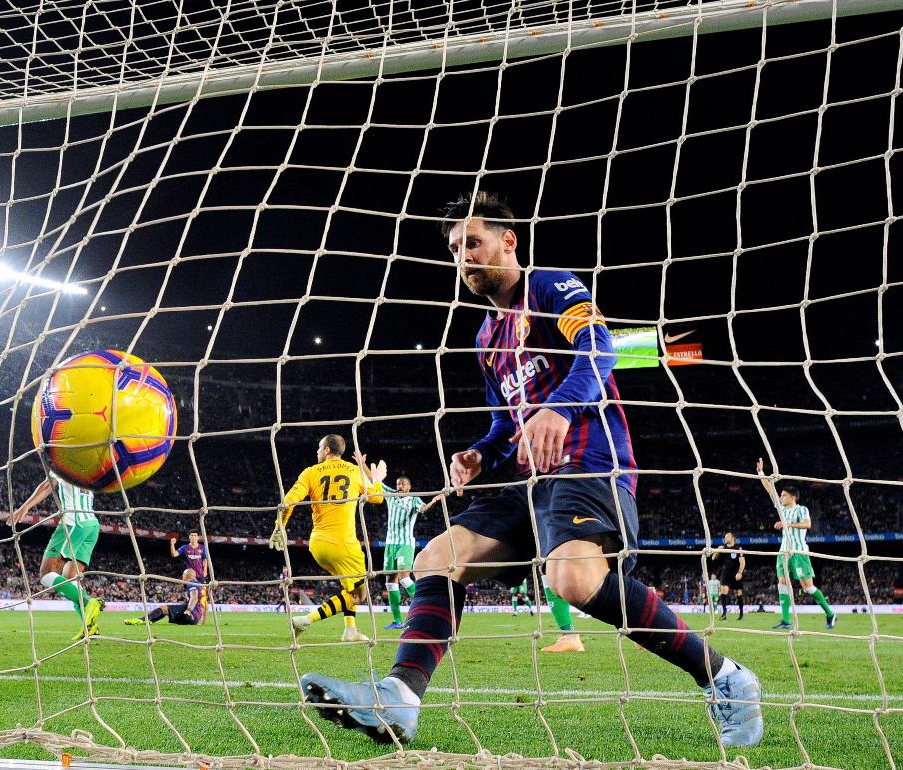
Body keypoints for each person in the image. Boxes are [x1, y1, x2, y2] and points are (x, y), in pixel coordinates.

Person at [298, 192, 762, 748]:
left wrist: (559, 409)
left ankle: (728, 679)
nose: (463, 257)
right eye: (454, 249)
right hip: (530, 481)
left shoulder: (548, 286)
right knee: (438, 558)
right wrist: (478, 454)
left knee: (569, 578)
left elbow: (600, 349)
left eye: (473, 242)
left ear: (508, 240)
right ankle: (400, 697)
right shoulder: (485, 339)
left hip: (591, 464)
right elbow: (504, 427)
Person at [270, 434, 384, 642]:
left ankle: (350, 630)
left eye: (319, 448)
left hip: (318, 544)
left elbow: (289, 501)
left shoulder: (311, 472)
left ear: (327, 450)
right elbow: (377, 497)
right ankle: (305, 620)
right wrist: (374, 476)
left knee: (348, 585)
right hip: (344, 544)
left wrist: (280, 527)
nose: (317, 452)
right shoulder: (354, 471)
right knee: (360, 594)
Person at [7, 473, 104, 641]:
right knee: (70, 579)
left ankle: (89, 602)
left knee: (46, 574)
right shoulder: (87, 465)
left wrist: (24, 507)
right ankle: (90, 628)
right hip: (92, 524)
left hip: (73, 522)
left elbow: (47, 485)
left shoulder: (62, 460)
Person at [758, 459, 835, 630]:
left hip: (798, 552)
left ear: (792, 497)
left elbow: (807, 524)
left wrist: (787, 524)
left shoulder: (802, 509)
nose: (781, 497)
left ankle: (830, 613)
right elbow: (770, 490)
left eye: (783, 495)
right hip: (783, 552)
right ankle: (786, 620)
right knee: (782, 583)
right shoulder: (782, 509)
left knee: (807, 587)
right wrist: (761, 473)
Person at [377, 470, 444, 629]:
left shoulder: (414, 500)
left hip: (405, 544)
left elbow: (423, 509)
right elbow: (376, 480)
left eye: (403, 484)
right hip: (390, 545)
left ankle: (426, 611)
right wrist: (362, 464)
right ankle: (397, 621)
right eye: (398, 484)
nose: (400, 486)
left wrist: (433, 502)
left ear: (409, 487)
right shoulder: (391, 495)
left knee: (403, 577)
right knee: (390, 582)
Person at [124, 569, 208, 626]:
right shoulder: (202, 586)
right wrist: (203, 621)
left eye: (183, 574)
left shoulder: (192, 583)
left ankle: (142, 620)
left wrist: (189, 610)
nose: (182, 576)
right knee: (165, 610)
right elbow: (206, 604)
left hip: (190, 613)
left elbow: (194, 598)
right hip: (195, 619)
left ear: (187, 575)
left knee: (163, 608)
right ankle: (149, 620)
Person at [710, 532, 746, 620]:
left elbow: (742, 562)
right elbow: (713, 558)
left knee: (738, 593)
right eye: (725, 537)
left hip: (736, 573)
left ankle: (741, 614)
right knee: (723, 591)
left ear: (733, 538)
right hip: (725, 572)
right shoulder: (723, 548)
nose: (726, 538)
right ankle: (724, 614)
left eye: (727, 537)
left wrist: (740, 573)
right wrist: (717, 550)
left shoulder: (738, 548)